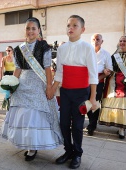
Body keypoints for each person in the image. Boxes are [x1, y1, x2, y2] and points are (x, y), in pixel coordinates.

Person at [1, 17, 63, 162]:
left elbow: (47, 68)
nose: (30, 31)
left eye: (33, 28)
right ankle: (28, 145)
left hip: (38, 84)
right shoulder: (18, 49)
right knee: (23, 114)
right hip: (23, 84)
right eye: (28, 28)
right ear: (25, 30)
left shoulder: (44, 47)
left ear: (39, 30)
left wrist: (49, 86)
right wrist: (12, 85)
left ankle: (34, 146)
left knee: (35, 115)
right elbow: (17, 69)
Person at [50, 15, 98, 169]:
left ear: (82, 29)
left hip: (81, 93)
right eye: (68, 25)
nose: (70, 28)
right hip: (65, 91)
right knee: (63, 123)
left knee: (77, 125)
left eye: (75, 25)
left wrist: (93, 97)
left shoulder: (87, 48)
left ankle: (77, 153)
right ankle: (68, 151)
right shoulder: (62, 48)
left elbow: (93, 74)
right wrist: (52, 88)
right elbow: (59, 72)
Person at [99, 35, 126, 139]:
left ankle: (122, 128)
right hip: (113, 84)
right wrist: (106, 71)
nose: (122, 42)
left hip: (124, 84)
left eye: (124, 41)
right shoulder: (114, 56)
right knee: (116, 105)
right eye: (121, 41)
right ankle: (119, 125)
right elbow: (108, 68)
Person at [86, 33, 113, 136]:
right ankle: (91, 122)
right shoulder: (87, 52)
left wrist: (100, 77)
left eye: (98, 39)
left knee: (95, 103)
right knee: (86, 102)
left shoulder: (106, 54)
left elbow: (109, 69)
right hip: (85, 81)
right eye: (93, 39)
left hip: (99, 81)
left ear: (102, 41)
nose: (95, 41)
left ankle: (91, 126)